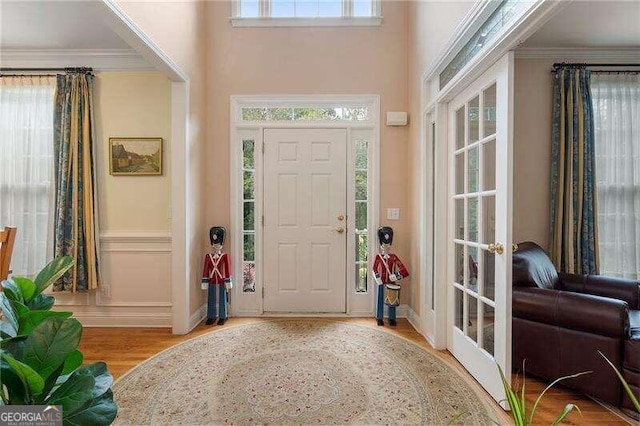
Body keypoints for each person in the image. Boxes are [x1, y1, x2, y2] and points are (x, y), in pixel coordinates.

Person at [372, 226, 408, 326]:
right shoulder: (378, 257)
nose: (386, 246)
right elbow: (374, 269)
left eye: (388, 244)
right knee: (380, 299)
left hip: (391, 282)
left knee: (392, 300)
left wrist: (396, 276)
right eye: (384, 244)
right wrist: (378, 278)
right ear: (381, 244)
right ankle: (379, 317)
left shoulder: (394, 257)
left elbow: (404, 271)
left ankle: (392, 318)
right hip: (381, 281)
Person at [201, 226, 232, 325]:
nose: (216, 245)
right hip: (212, 279)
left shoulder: (224, 256)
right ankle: (211, 316)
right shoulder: (208, 257)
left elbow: (227, 269)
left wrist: (228, 281)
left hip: (221, 279)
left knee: (222, 298)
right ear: (212, 244)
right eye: (215, 244)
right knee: (211, 298)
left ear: (222, 244)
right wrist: (204, 281)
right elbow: (206, 269)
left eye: (218, 244)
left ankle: (223, 316)